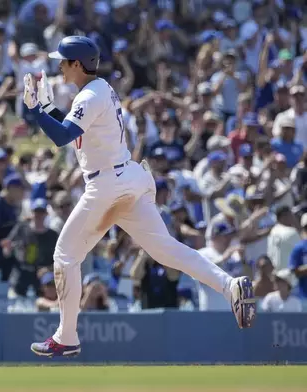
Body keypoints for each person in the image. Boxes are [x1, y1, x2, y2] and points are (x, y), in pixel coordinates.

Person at [23, 36, 256, 358]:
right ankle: (229, 285)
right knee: (166, 250)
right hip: (129, 176)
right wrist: (47, 109)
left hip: (106, 184)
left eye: (63, 61)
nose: (59, 66)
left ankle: (66, 336)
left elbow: (63, 136)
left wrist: (35, 111)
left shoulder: (89, 95)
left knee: (64, 256)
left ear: (77, 64)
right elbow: (72, 126)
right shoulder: (98, 89)